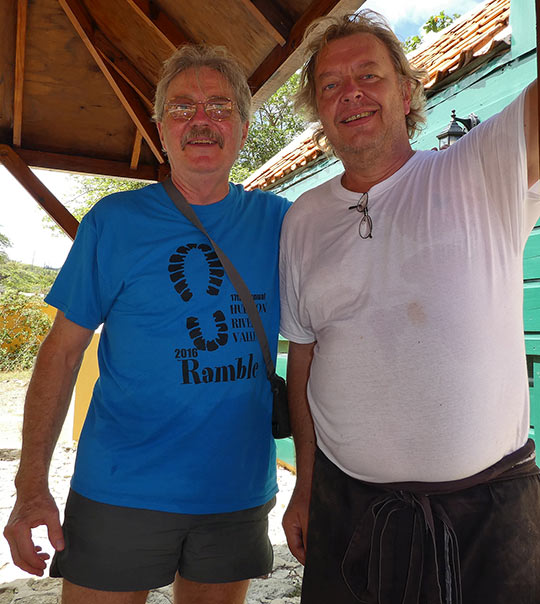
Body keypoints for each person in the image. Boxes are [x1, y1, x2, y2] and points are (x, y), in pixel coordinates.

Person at [3, 44, 290, 604]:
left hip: (234, 492)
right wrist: (30, 484)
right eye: (182, 108)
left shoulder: (281, 222)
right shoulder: (113, 224)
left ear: (244, 126)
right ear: (160, 128)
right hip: (121, 486)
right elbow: (60, 354)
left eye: (219, 106)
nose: (201, 121)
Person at [279, 10, 540, 604]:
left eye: (369, 75)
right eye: (330, 85)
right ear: (319, 111)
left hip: (490, 516)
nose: (351, 93)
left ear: (407, 89)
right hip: (348, 513)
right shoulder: (302, 220)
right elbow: (303, 360)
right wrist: (306, 487)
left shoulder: (479, 166)